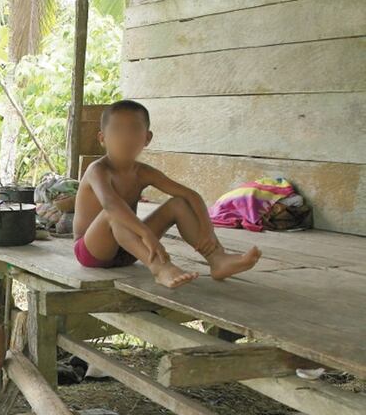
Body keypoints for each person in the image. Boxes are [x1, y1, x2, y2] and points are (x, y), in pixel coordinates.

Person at [73, 100, 261, 289]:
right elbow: (111, 205)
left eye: (134, 130)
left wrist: (207, 230)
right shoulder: (97, 170)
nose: (126, 137)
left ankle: (217, 259)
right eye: (117, 130)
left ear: (147, 138)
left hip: (130, 251)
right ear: (102, 138)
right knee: (113, 214)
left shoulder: (143, 172)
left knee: (178, 204)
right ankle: (160, 268)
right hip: (93, 251)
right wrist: (146, 234)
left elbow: (191, 195)